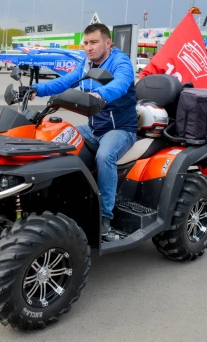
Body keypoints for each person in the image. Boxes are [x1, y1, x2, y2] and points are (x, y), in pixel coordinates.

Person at [30, 23, 136, 240]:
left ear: (108, 42)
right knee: (58, 139)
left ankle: (104, 219)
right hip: (93, 128)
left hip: (120, 129)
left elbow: (121, 83)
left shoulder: (120, 61)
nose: (89, 47)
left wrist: (101, 94)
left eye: (94, 42)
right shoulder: (86, 64)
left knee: (105, 156)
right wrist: (35, 89)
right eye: (86, 43)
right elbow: (65, 82)